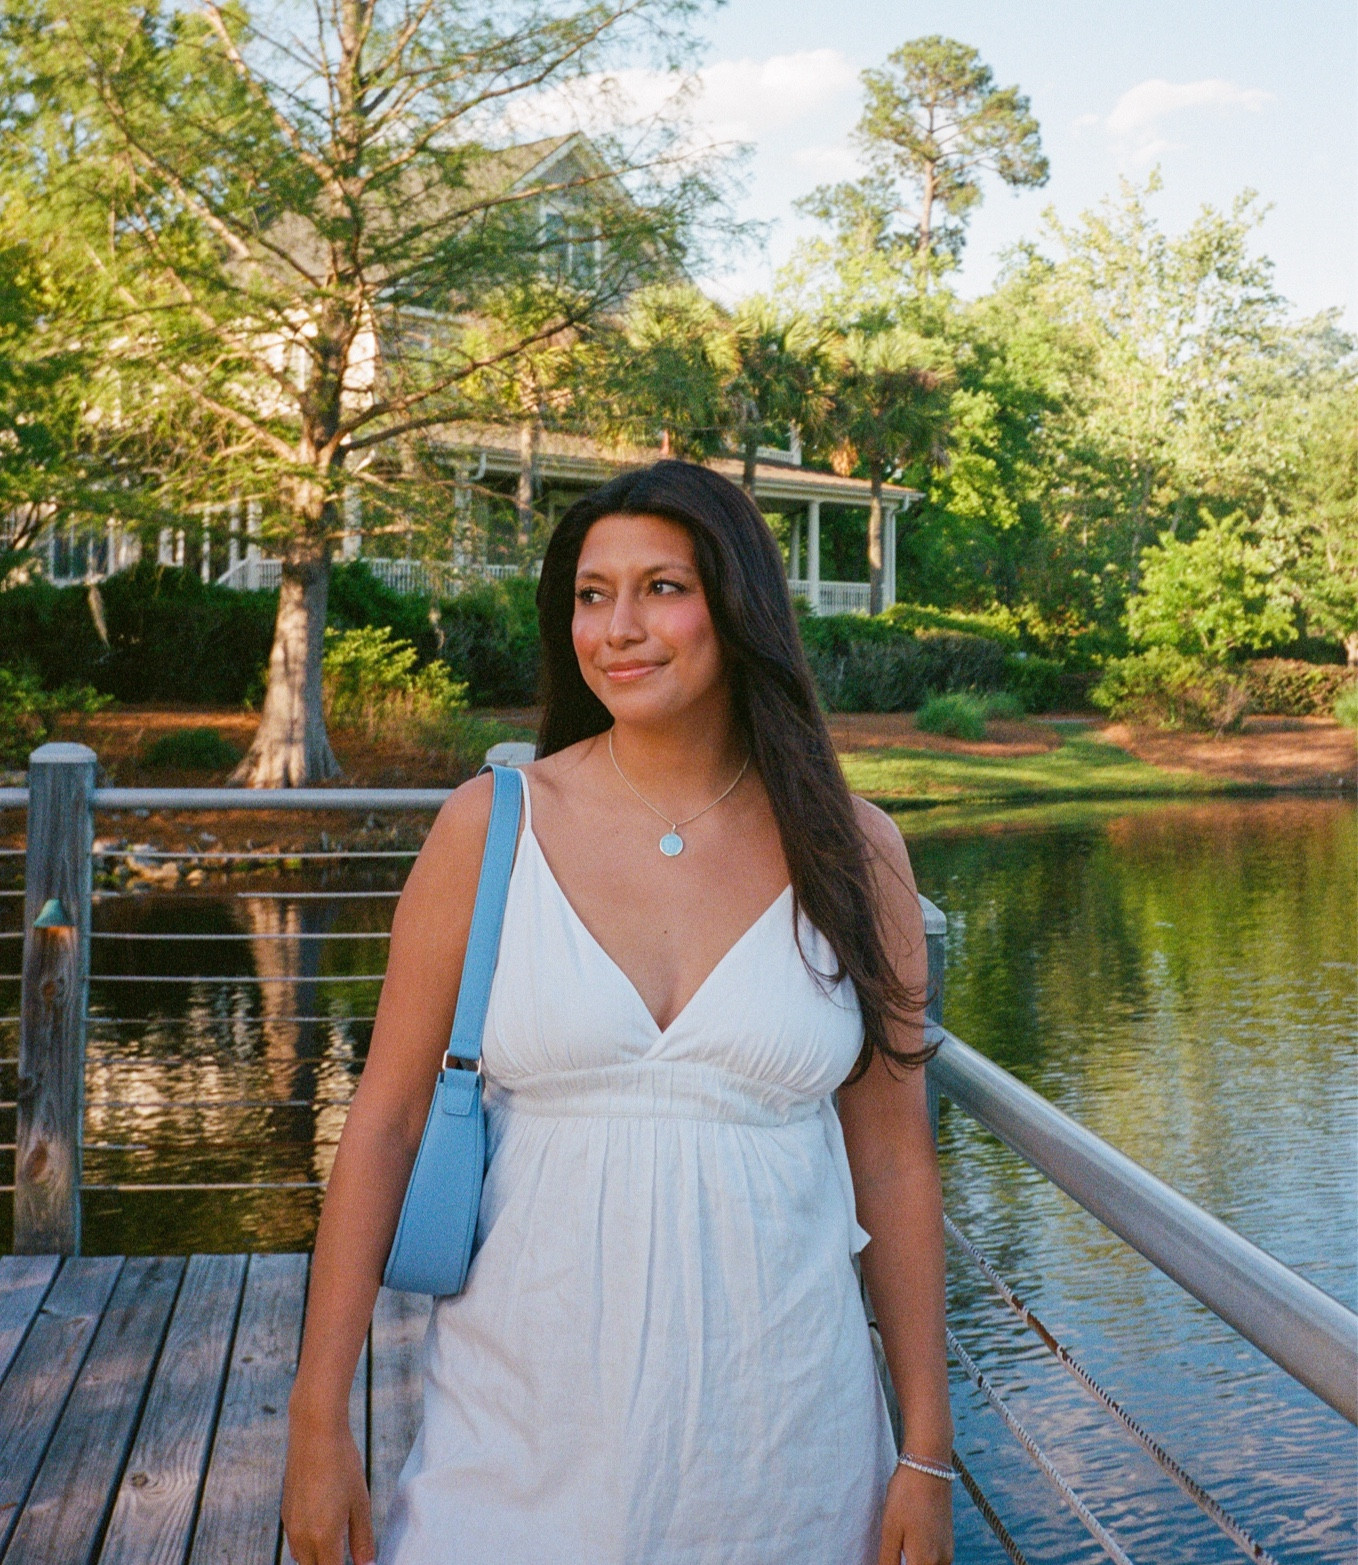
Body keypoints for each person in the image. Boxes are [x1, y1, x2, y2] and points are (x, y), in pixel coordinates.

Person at [282, 461, 954, 1565]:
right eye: (592, 595)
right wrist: (319, 1417)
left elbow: (893, 1162)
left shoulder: (853, 846)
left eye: (660, 588)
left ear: (735, 607)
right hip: (519, 1420)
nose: (619, 628)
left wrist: (924, 1452)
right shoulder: (490, 826)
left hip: (786, 1432)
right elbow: (386, 1121)